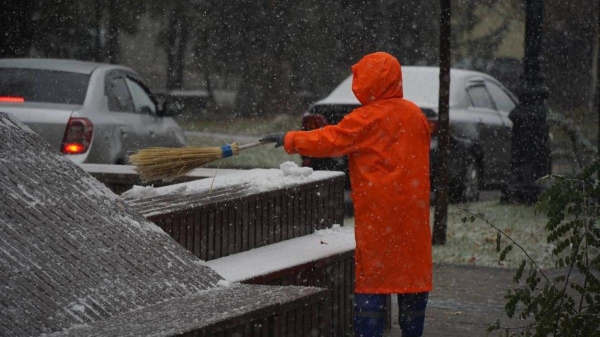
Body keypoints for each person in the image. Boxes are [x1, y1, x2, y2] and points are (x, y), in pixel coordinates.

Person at [260, 51, 432, 337]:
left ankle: (369, 332)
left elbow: (329, 140)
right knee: (412, 279)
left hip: (379, 217)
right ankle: (413, 331)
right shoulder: (415, 115)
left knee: (374, 282)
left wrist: (290, 139)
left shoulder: (365, 119)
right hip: (413, 216)